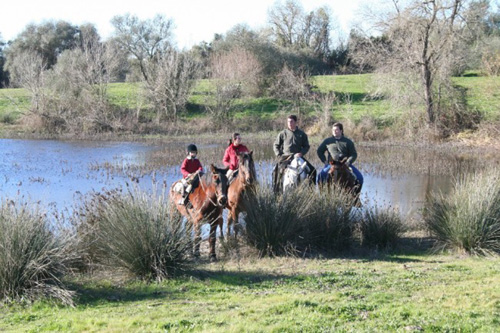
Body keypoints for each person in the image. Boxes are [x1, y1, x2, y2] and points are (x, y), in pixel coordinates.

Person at [272, 114, 316, 192]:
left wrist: (301, 153)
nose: (289, 123)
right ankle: (276, 191)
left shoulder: (302, 134)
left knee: (313, 170)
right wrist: (279, 155)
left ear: (296, 122)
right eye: (288, 122)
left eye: (291, 121)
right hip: (286, 157)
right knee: (275, 170)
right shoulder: (283, 133)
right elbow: (276, 145)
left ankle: (311, 191)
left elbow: (306, 146)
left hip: (298, 156)